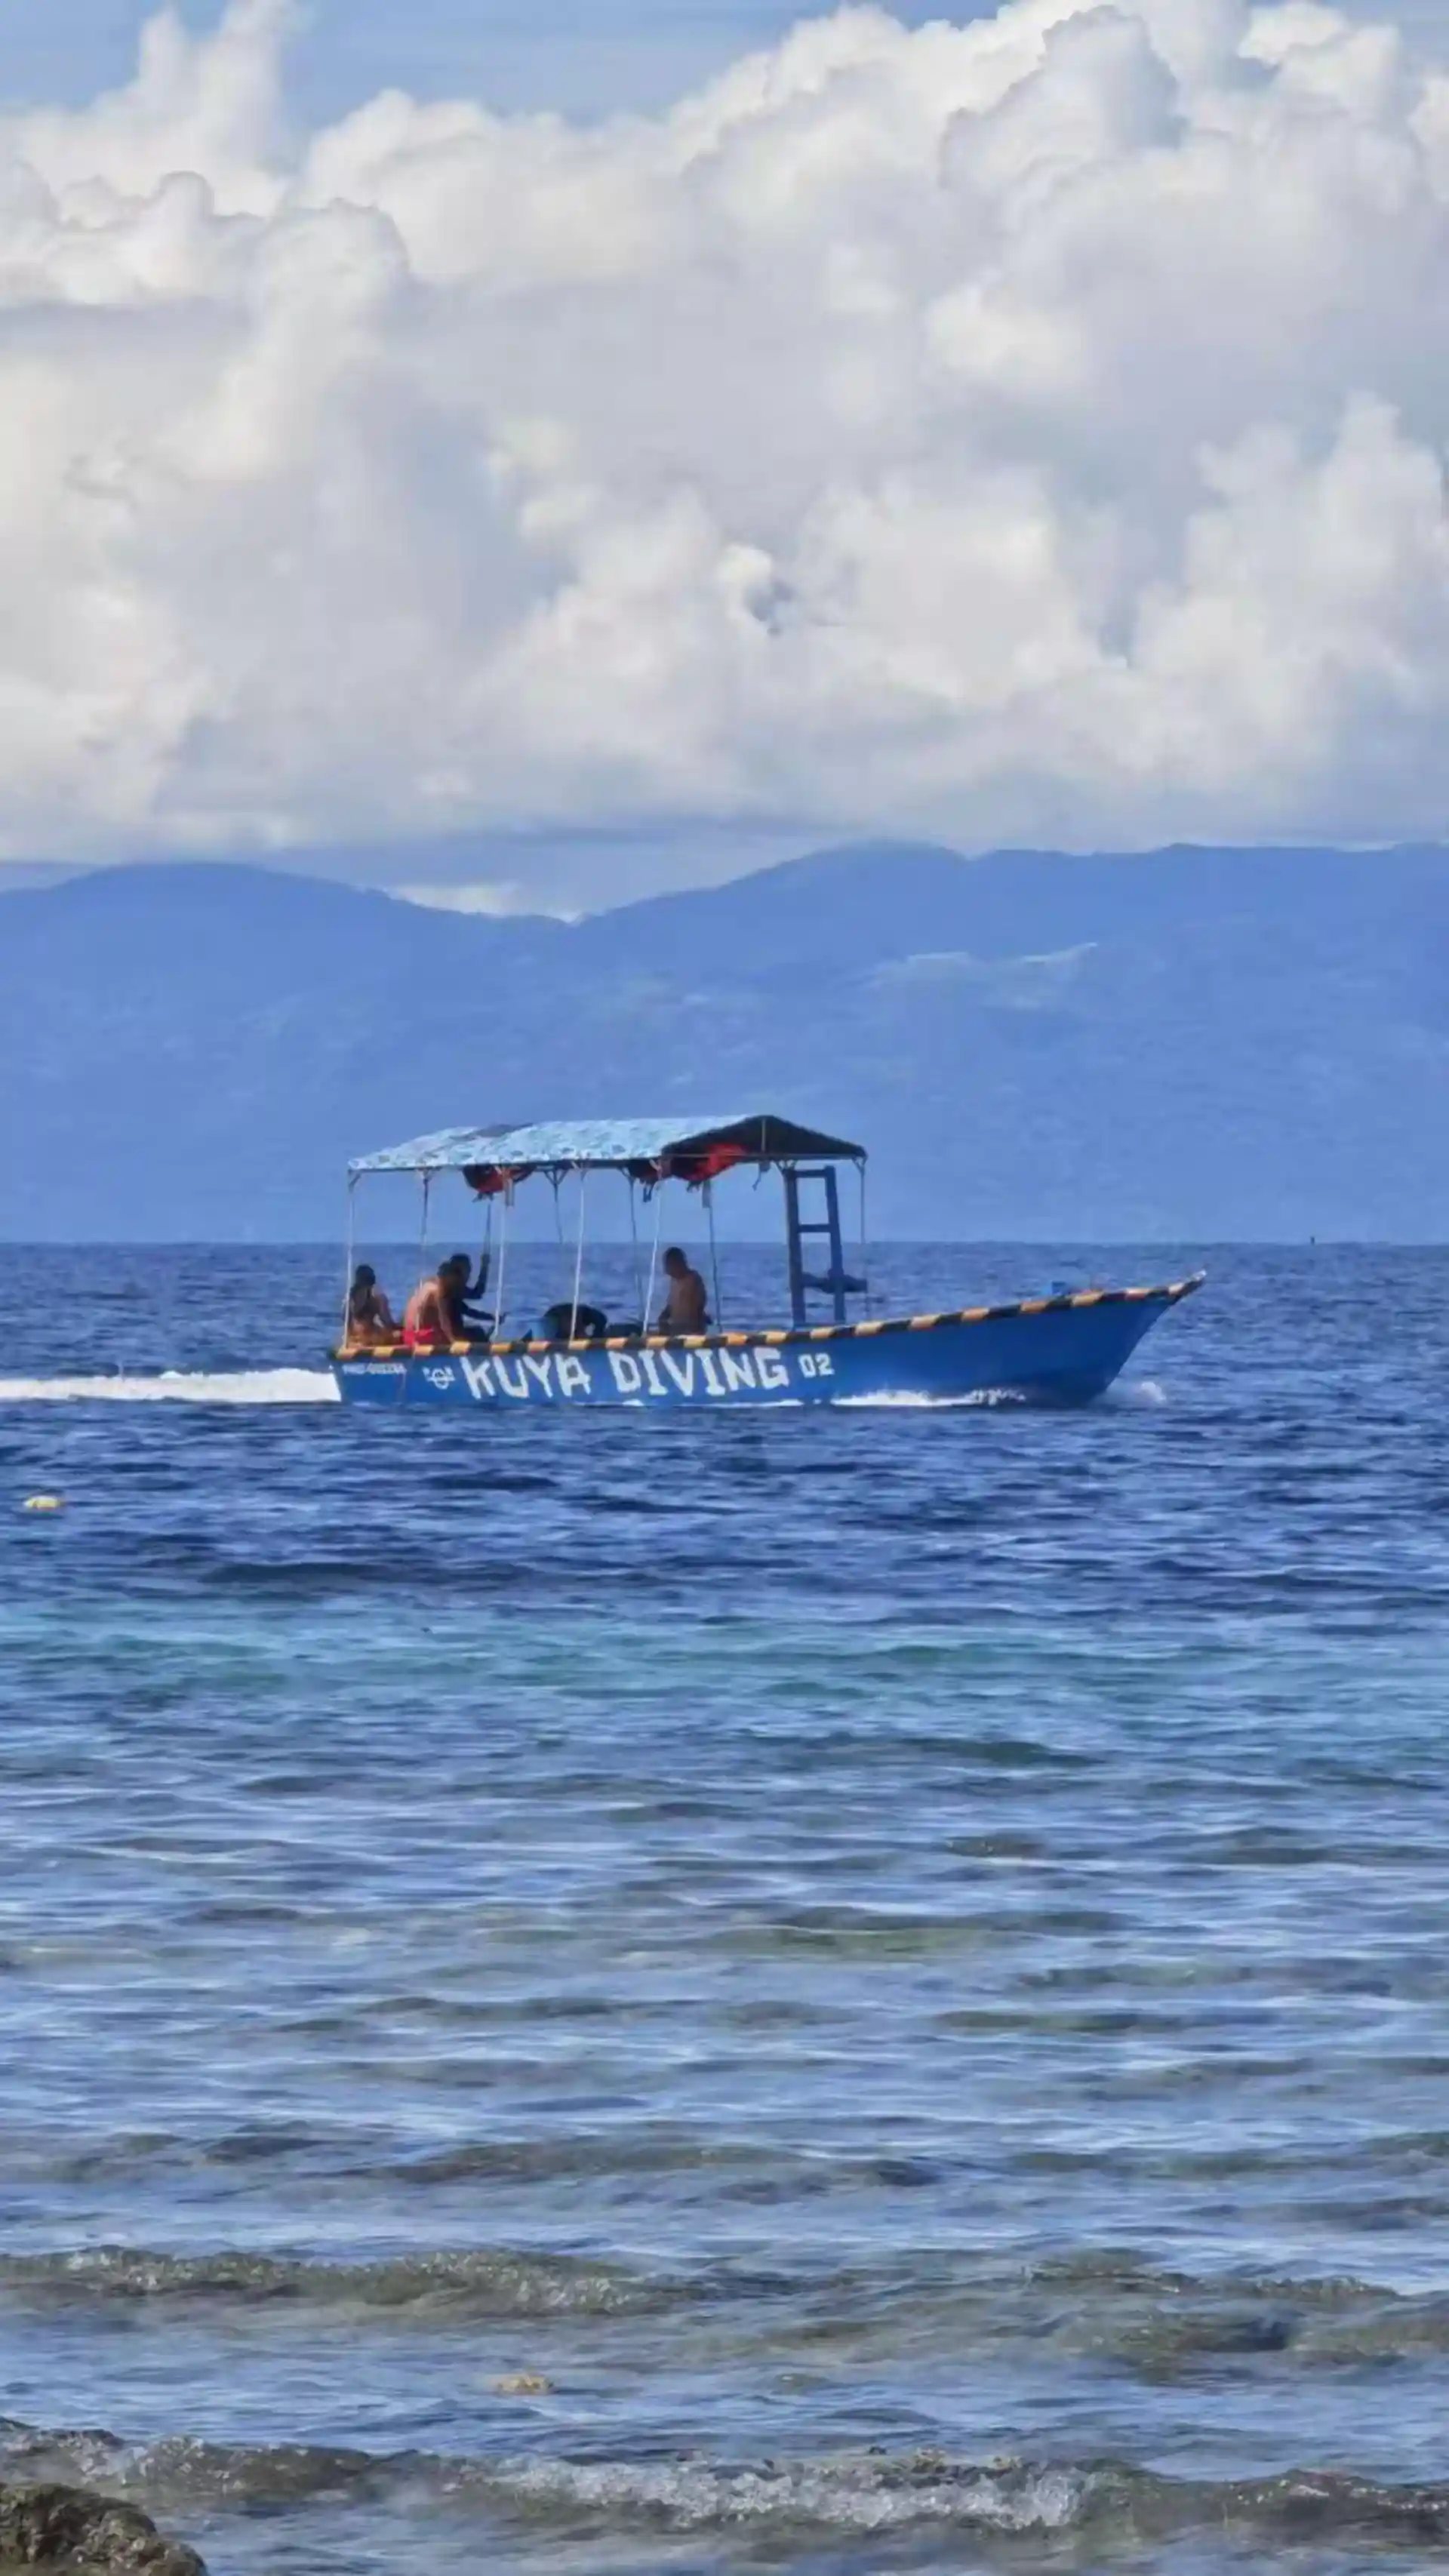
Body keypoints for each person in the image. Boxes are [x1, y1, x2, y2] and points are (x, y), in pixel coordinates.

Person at [438, 1253, 493, 1343]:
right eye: (468, 1270)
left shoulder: (451, 1287)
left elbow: (466, 1310)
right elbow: (477, 1294)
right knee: (478, 1332)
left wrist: (492, 1317)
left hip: (449, 1332)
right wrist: (485, 1267)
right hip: (451, 1335)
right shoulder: (452, 1286)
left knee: (477, 1331)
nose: (469, 1274)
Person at [656, 1247, 709, 1334]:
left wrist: (693, 1327)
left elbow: (700, 1304)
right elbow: (671, 1304)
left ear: (678, 1264)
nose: (667, 1271)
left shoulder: (694, 1279)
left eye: (669, 1266)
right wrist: (663, 1317)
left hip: (691, 1330)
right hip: (676, 1328)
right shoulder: (674, 1281)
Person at [345, 1263, 396, 1347]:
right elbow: (387, 1321)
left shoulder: (351, 1296)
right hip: (369, 1337)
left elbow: (346, 1320)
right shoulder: (377, 1295)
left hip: (353, 1337)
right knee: (396, 1335)